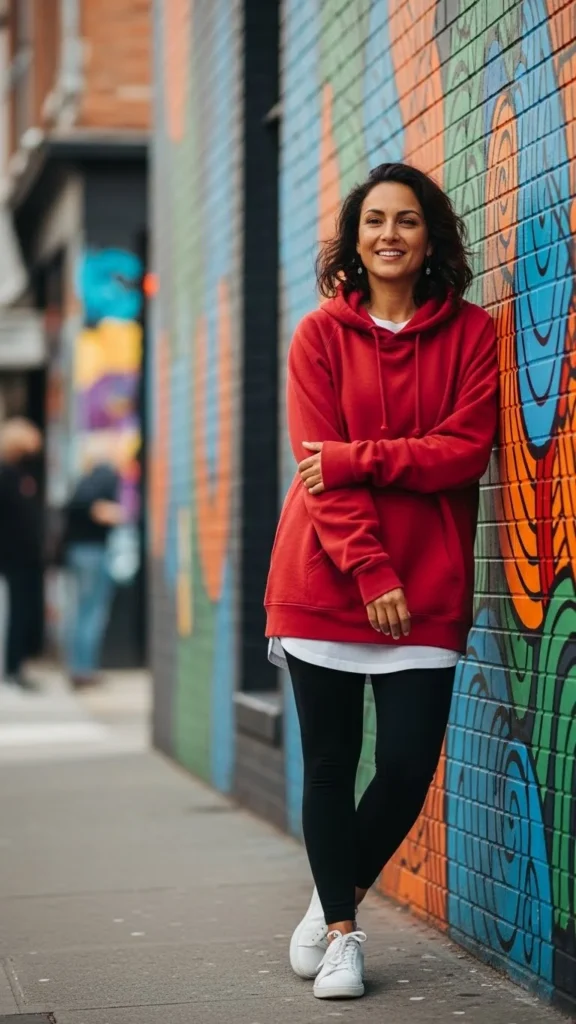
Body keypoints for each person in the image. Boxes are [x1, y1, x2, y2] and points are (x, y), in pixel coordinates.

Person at [265, 163, 498, 1000]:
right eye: (373, 222)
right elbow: (317, 478)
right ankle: (340, 935)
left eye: (406, 221)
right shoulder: (318, 338)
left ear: (430, 236)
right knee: (330, 764)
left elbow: (463, 452)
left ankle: (334, 889)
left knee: (403, 768)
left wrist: (360, 457)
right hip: (325, 581)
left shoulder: (473, 336)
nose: (389, 235)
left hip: (427, 587)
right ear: (353, 240)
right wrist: (370, 570)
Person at [62, 436, 123, 689]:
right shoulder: (106, 476)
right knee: (92, 611)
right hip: (94, 552)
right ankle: (84, 669)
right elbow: (99, 509)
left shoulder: (84, 479)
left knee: (80, 611)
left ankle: (78, 667)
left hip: (77, 552)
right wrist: (114, 514)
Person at [0, 418, 44, 689]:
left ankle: (18, 664)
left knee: (24, 611)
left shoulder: (22, 474)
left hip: (25, 556)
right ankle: (13, 666)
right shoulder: (6, 477)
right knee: (17, 611)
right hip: (14, 556)